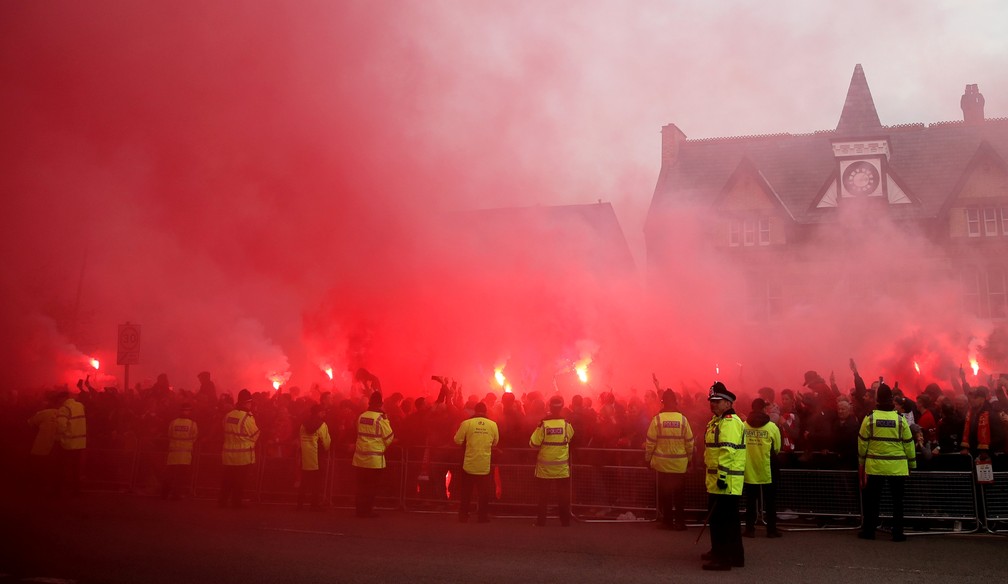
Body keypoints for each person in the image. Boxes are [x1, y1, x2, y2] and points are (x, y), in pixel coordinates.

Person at [857, 383, 915, 541]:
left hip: (875, 467)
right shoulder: (900, 420)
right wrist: (912, 464)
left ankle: (869, 531)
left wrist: (861, 461)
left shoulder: (870, 418)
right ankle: (897, 533)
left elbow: (862, 443)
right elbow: (909, 444)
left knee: (872, 501)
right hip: (898, 468)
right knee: (898, 502)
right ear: (891, 398)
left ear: (877, 399)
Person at [700, 382, 746, 571]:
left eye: (717, 401)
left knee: (723, 521)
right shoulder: (718, 421)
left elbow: (727, 451)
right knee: (722, 520)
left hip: (725, 482)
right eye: (712, 401)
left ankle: (723, 558)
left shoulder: (730, 422)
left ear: (728, 403)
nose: (713, 404)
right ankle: (729, 554)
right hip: (719, 480)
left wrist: (722, 477)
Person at [644, 389, 694, 530]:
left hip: (663, 465)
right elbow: (690, 443)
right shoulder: (683, 420)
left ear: (662, 402)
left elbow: (650, 443)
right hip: (679, 465)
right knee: (679, 496)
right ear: (676, 402)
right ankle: (680, 522)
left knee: (665, 494)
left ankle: (667, 522)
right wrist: (689, 460)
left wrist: (647, 459)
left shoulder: (657, 419)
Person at [529, 394, 574, 527]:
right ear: (561, 407)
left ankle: (541, 522)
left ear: (549, 407)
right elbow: (570, 437)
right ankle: (565, 522)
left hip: (545, 468)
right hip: (562, 468)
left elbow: (533, 443)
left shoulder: (543, 424)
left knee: (543, 496)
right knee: (563, 496)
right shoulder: (566, 424)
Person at [453, 401, 499, 523]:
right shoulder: (493, 424)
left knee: (466, 492)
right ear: (486, 411)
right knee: (484, 493)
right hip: (484, 464)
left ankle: (463, 516)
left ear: (475, 410)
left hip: (468, 463)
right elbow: (495, 442)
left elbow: (457, 440)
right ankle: (482, 517)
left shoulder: (466, 423)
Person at [742, 398, 782, 538]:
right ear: (764, 409)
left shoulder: (743, 426)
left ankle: (749, 529)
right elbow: (777, 447)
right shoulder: (772, 427)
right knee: (770, 501)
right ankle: (771, 530)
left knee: (750, 501)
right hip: (768, 467)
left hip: (749, 468)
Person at [352, 390, 394, 518]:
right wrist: (382, 447)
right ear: (380, 404)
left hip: (359, 459)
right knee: (371, 488)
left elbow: (358, 433)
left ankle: (359, 510)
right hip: (374, 461)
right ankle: (368, 511)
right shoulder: (381, 418)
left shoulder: (361, 416)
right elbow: (389, 438)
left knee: (360, 486)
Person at [219, 389, 259, 509]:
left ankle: (222, 502)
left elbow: (224, 429)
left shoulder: (228, 415)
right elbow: (255, 435)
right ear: (247, 403)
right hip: (242, 457)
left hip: (228, 455)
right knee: (239, 481)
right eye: (250, 403)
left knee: (227, 480)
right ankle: (236, 503)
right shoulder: (247, 418)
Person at [298, 404, 332, 511]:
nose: (324, 414)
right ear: (318, 413)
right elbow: (326, 442)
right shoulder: (322, 425)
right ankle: (314, 505)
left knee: (304, 482)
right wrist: (326, 449)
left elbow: (300, 438)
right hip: (317, 456)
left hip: (305, 457)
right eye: (323, 412)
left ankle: (299, 504)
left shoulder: (303, 424)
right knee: (317, 483)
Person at [55, 386, 87, 496]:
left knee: (62, 467)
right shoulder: (80, 406)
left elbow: (61, 426)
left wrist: (57, 437)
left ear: (62, 399)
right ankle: (76, 490)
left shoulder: (64, 409)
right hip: (80, 443)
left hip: (67, 443)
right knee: (75, 468)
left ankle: (59, 490)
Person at [163, 403, 198, 500]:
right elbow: (194, 438)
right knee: (181, 477)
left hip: (173, 454)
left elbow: (169, 435)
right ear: (190, 411)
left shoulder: (173, 423)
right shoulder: (192, 424)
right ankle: (177, 494)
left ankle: (164, 494)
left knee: (170, 475)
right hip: (185, 456)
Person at [28, 392, 61, 495]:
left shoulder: (44, 413)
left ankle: (37, 490)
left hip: (41, 447)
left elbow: (30, 423)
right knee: (54, 470)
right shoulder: (63, 414)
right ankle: (53, 490)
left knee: (40, 469)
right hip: (57, 447)